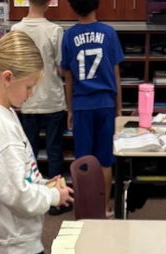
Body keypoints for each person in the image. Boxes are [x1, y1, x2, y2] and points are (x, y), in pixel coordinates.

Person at [0, 32, 72, 254]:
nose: (31, 94)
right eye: (29, 87)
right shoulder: (0, 127)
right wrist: (53, 196)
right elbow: (15, 193)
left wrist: (43, 183)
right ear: (7, 78)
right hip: (16, 236)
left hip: (11, 233)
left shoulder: (4, 113)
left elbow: (19, 175)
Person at [61, 0, 124, 217]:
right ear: (97, 4)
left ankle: (86, 210)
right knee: (105, 161)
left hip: (81, 105)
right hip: (106, 104)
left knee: (83, 163)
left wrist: (70, 110)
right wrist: (119, 110)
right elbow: (116, 77)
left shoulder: (68, 36)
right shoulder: (109, 33)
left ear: (72, 6)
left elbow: (68, 79)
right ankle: (105, 208)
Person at [11, 0, 70, 210]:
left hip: (27, 99)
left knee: (29, 154)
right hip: (52, 99)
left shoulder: (16, 30)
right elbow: (62, 69)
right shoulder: (55, 31)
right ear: (48, 3)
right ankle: (58, 202)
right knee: (54, 151)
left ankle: (34, 203)